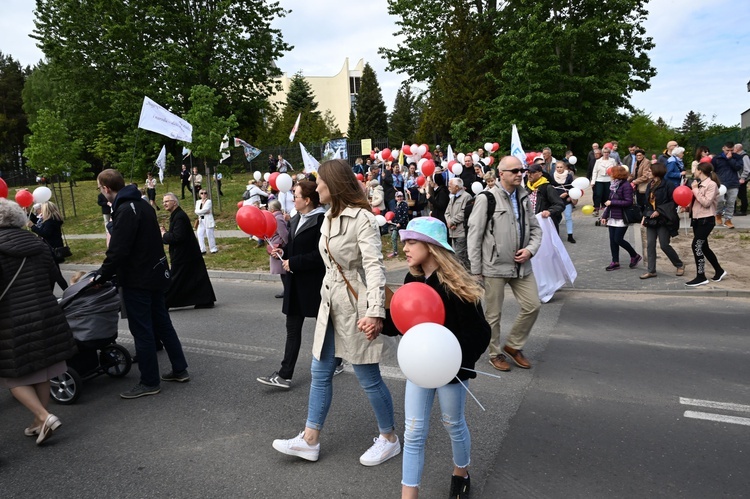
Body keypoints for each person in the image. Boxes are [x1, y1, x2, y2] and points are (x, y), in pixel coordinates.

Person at [272, 159, 399, 466]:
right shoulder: (328, 217)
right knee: (320, 372)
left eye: (321, 182)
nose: (317, 188)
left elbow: (374, 266)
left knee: (368, 375)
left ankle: (390, 438)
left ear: (334, 183)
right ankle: (310, 440)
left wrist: (375, 313)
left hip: (356, 304)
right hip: (329, 303)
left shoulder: (362, 219)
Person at [381, 217, 490, 499]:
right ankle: (409, 494)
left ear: (431, 246)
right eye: (405, 242)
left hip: (452, 369)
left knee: (453, 423)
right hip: (419, 366)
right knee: (414, 430)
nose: (405, 247)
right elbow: (403, 324)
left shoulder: (457, 284)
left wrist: (453, 359)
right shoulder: (411, 279)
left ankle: (461, 472)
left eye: (412, 241)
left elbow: (480, 332)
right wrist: (379, 324)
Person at [93, 169, 189, 398]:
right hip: (155, 274)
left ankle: (149, 381)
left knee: (142, 330)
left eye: (100, 188)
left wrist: (102, 275)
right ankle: (179, 368)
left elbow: (118, 251)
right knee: (163, 323)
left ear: (106, 188)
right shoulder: (143, 205)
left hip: (138, 279)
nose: (101, 192)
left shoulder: (126, 210)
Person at [0, 198, 76, 445]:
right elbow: (53, 275)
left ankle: (44, 416)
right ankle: (38, 422)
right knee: (42, 368)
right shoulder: (38, 242)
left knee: (13, 376)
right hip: (46, 311)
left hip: (12, 318)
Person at [467, 156, 542, 372]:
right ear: (501, 174)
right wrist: (476, 270)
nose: (520, 174)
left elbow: (536, 229)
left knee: (533, 305)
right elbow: (474, 235)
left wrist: (530, 250)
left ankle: (513, 345)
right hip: (494, 266)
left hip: (521, 266)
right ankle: (495, 353)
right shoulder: (487, 198)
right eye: (514, 170)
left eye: (522, 170)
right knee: (493, 315)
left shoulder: (524, 197)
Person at [257, 181, 326, 389]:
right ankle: (285, 375)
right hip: (295, 283)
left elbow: (321, 255)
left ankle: (338, 360)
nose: (292, 199)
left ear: (307, 200)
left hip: (314, 284)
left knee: (326, 326)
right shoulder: (296, 218)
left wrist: (293, 262)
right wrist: (282, 252)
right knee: (292, 328)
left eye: (296, 196)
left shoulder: (322, 220)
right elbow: (293, 247)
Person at [160, 193, 216, 308]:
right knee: (195, 278)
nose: (164, 204)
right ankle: (205, 300)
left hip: (184, 255)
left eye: (167, 201)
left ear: (174, 202)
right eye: (163, 202)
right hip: (188, 254)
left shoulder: (179, 216)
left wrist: (164, 234)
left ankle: (163, 303)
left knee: (175, 280)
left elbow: (178, 237)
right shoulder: (176, 215)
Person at [683, 163, 727, 286]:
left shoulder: (711, 184)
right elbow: (697, 202)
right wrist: (687, 208)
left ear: (700, 171)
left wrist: (695, 189)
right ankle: (719, 271)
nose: (694, 171)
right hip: (696, 219)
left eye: (695, 169)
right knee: (704, 247)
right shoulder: (697, 183)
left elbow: (706, 202)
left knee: (696, 245)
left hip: (706, 220)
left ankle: (701, 276)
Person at [640, 163, 685, 279]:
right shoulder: (650, 184)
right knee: (650, 245)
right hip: (651, 219)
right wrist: (644, 216)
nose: (648, 173)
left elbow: (673, 202)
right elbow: (648, 204)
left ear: (656, 172)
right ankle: (651, 270)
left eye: (650, 171)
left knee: (664, 245)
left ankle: (679, 264)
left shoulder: (668, 185)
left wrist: (660, 211)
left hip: (664, 219)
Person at [600, 166, 641, 271]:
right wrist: (604, 215)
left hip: (622, 217)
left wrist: (612, 202)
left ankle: (634, 255)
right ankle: (615, 261)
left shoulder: (626, 185)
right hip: (612, 216)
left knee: (618, 239)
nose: (610, 174)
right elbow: (609, 201)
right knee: (612, 241)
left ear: (617, 174)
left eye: (612, 172)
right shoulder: (613, 185)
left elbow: (628, 202)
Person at [525, 163, 564, 234]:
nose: (529, 175)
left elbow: (559, 205)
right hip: (530, 225)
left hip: (544, 225)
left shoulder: (548, 188)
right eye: (528, 172)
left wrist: (549, 211)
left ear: (540, 174)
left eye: (532, 172)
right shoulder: (527, 188)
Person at [712, 142, 743, 229]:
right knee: (720, 200)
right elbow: (712, 170)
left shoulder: (737, 157)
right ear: (723, 148)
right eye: (727, 150)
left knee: (731, 202)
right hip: (721, 183)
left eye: (731, 150)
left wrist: (730, 159)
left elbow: (738, 167)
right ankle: (718, 214)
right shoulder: (717, 158)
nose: (729, 152)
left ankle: (728, 219)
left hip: (733, 183)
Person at [267, 200, 290, 299]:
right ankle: (286, 290)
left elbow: (284, 234)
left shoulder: (277, 218)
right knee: (282, 271)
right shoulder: (277, 217)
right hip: (278, 245)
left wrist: (286, 246)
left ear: (272, 209)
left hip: (280, 246)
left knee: (283, 271)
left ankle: (287, 291)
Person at [445, 177, 470, 268]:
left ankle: (466, 278)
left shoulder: (466, 196)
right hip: (453, 232)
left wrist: (452, 221)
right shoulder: (452, 198)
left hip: (461, 232)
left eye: (450, 186)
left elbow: (464, 213)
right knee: (456, 257)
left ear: (456, 187)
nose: (448, 188)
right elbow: (447, 212)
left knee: (461, 257)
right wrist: (449, 222)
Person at [552, 161, 577, 243]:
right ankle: (555, 235)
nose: (559, 169)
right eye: (557, 167)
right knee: (555, 218)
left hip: (566, 200)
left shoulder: (569, 176)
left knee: (568, 217)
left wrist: (567, 194)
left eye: (561, 167)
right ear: (555, 168)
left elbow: (572, 187)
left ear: (564, 167)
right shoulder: (552, 176)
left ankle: (570, 235)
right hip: (555, 201)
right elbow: (549, 188)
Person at [591, 146, 616, 216]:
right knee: (598, 194)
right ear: (602, 153)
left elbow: (615, 171)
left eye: (608, 152)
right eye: (605, 152)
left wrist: (615, 180)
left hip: (608, 180)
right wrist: (593, 181)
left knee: (607, 195)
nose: (606, 154)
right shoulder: (598, 161)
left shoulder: (612, 161)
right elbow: (595, 171)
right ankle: (596, 209)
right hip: (599, 179)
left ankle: (606, 210)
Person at [388, 191, 409, 258]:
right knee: (393, 237)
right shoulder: (396, 205)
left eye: (401, 196)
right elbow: (395, 215)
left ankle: (408, 252)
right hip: (396, 225)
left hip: (403, 225)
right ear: (395, 197)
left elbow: (405, 215)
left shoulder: (404, 204)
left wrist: (400, 223)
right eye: (398, 197)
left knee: (403, 240)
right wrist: (391, 220)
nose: (399, 198)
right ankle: (395, 252)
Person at [195, 189, 218, 254]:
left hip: (208, 219)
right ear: (199, 195)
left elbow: (206, 209)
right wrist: (201, 212)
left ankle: (213, 249)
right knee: (199, 234)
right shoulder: (198, 202)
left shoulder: (208, 201)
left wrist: (200, 212)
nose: (203, 194)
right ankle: (202, 250)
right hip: (201, 220)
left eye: (205, 193)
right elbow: (196, 211)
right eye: (202, 193)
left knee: (209, 234)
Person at [733, 143, 750, 216]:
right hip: (738, 178)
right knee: (738, 194)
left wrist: (743, 177)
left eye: (734, 148)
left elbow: (747, 169)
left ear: (737, 149)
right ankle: (738, 210)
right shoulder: (738, 157)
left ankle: (743, 210)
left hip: (742, 179)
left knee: (742, 194)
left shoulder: (744, 157)